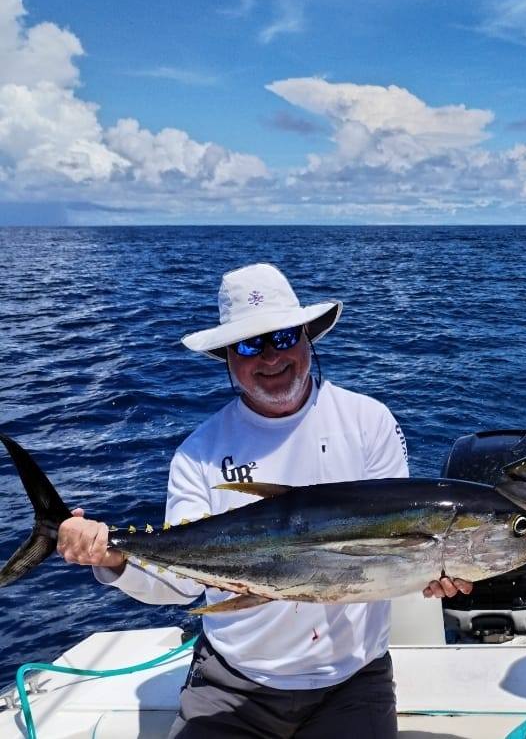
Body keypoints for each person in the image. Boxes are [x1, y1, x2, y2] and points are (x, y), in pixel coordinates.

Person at [55, 263, 472, 738]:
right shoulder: (199, 453)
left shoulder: (368, 422)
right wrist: (111, 557)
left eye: (284, 337)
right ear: (228, 358)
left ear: (307, 339)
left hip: (352, 681)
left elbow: (393, 543)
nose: (271, 357)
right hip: (233, 683)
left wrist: (433, 571)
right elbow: (181, 586)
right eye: (250, 345)